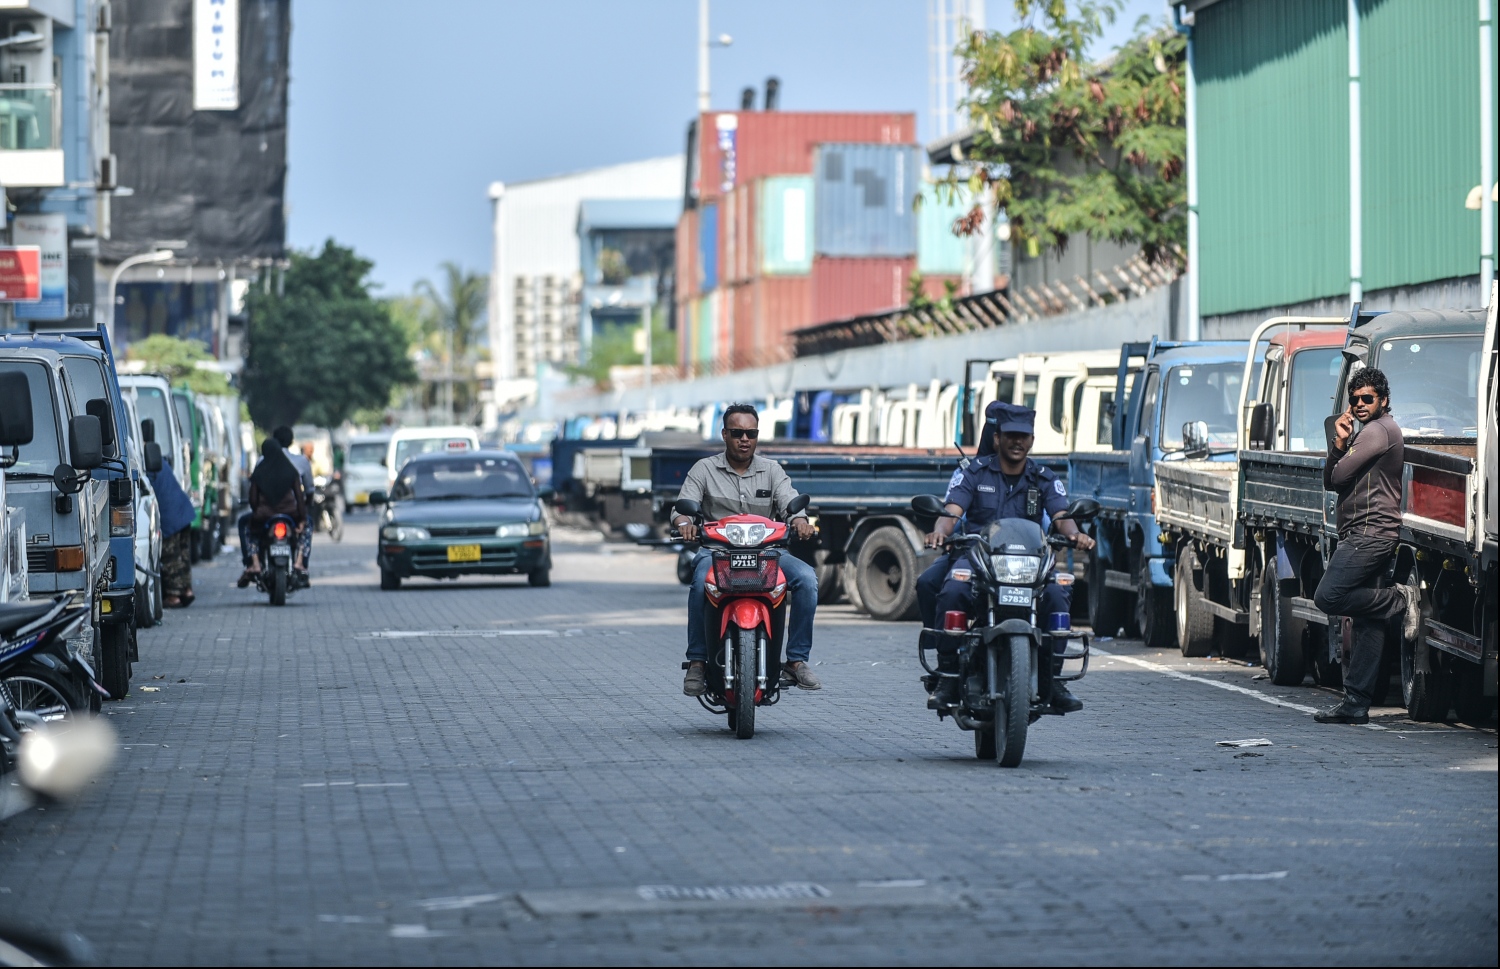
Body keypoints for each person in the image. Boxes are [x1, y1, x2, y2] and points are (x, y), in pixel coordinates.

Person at [915, 401, 1095, 712]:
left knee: (1057, 591)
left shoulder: (1044, 478)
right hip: (979, 557)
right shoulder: (975, 473)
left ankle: (1053, 677)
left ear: (1032, 441)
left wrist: (1075, 534)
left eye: (1023, 436)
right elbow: (951, 512)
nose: (1016, 442)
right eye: (1010, 435)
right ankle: (947, 674)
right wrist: (940, 531)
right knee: (953, 588)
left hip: (1030, 562)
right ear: (997, 438)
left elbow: (1062, 515)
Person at [671, 403, 822, 695]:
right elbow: (681, 508)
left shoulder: (772, 470)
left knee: (807, 579)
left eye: (750, 433)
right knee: (700, 582)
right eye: (738, 432)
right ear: (725, 434)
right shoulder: (704, 469)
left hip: (768, 555)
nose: (744, 439)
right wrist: (684, 523)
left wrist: (800, 521)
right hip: (716, 554)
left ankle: (796, 660)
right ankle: (698, 662)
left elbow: (790, 503)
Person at [1312, 367, 1419, 724]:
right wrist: (1340, 443)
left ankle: (1401, 598)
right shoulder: (1367, 431)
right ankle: (1356, 703)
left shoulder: (1378, 431)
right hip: (1365, 534)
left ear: (1383, 401)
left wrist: (1341, 445)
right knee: (1368, 621)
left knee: (1327, 597)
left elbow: (1339, 475)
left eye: (1367, 399)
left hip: (1369, 536)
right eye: (1354, 399)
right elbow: (1332, 480)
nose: (1359, 405)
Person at [237, 439, 309, 586]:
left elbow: (253, 499)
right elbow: (299, 497)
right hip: (290, 515)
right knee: (305, 529)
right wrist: (302, 519)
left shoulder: (259, 471)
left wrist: (257, 511)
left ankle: (254, 563)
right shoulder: (291, 470)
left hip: (264, 517)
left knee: (246, 526)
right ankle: (300, 562)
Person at [151, 455, 197, 608]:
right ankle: (187, 590)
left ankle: (173, 595)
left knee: (171, 556)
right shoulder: (157, 458)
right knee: (183, 554)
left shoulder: (141, 460)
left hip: (170, 516)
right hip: (183, 510)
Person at [274, 426, 315, 585]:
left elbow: (253, 492)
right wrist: (305, 512)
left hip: (266, 513)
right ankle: (301, 564)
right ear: (291, 442)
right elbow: (308, 490)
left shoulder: (262, 461)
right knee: (308, 526)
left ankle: (253, 562)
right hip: (293, 513)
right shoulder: (300, 462)